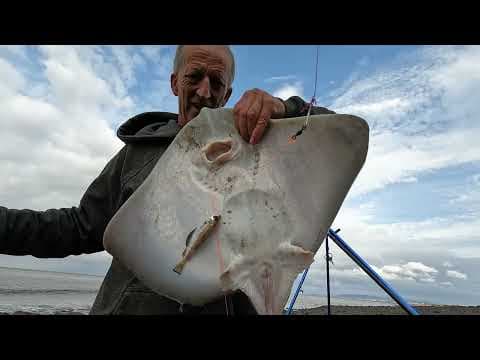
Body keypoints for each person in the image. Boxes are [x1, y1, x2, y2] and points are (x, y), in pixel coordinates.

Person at [0, 45, 335, 315]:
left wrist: (285, 107)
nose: (205, 92)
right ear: (175, 82)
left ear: (228, 91)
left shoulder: (261, 139)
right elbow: (76, 227)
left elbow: (337, 136)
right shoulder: (138, 153)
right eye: (195, 77)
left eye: (216, 82)